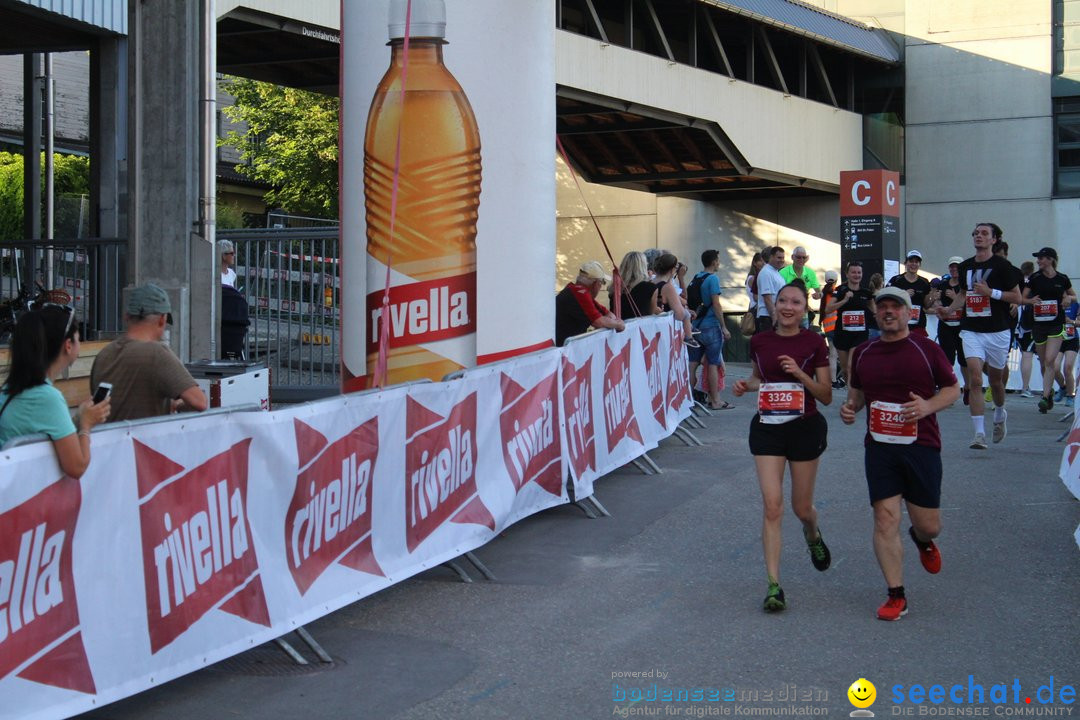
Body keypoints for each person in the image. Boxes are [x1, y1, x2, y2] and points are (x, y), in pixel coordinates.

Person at [840, 286, 960, 621]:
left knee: (930, 525)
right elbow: (857, 394)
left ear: (909, 314)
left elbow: (952, 389)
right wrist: (850, 409)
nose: (889, 311)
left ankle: (921, 540)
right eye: (884, 307)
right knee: (885, 518)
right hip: (880, 447)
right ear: (876, 314)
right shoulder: (862, 352)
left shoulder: (926, 349)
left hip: (921, 446)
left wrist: (927, 406)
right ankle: (896, 595)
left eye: (897, 306)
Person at [733, 280, 833, 613]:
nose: (788, 307)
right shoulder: (760, 340)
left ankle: (812, 535)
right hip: (768, 428)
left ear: (805, 309)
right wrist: (746, 385)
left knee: (801, 508)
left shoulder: (814, 342)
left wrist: (799, 376)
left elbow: (826, 394)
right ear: (774, 305)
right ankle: (773, 585)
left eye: (795, 302)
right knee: (772, 505)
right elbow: (760, 378)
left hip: (805, 428)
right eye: (782, 301)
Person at [934, 223, 1022, 449]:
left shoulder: (1003, 266)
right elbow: (963, 294)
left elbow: (1017, 297)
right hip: (972, 329)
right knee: (974, 378)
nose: (979, 236)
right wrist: (949, 310)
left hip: (998, 331)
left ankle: (1001, 413)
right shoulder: (965, 266)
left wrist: (990, 292)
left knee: (996, 381)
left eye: (984, 233)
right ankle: (979, 434)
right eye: (976, 233)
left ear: (994, 239)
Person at [0, 305, 111, 478]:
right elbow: (77, 467)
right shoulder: (47, 398)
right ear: (68, 345)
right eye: (78, 338)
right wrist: (86, 426)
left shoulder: (11, 388)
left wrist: (79, 418)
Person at [90, 283, 209, 421]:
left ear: (127, 317)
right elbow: (200, 402)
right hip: (143, 442)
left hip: (108, 441)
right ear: (162, 320)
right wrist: (177, 404)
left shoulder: (103, 354)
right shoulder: (157, 353)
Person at [1020, 247, 1075, 413]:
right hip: (1039, 325)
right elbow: (1022, 298)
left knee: (1050, 360)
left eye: (1041, 258)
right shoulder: (1035, 278)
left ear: (1050, 260)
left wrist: (1067, 298)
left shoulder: (1062, 279)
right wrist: (1031, 301)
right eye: (1038, 259)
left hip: (1056, 324)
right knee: (1045, 362)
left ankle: (1044, 397)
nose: (1038, 261)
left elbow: (1074, 296)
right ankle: (1051, 392)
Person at [687, 250, 732, 410]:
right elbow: (716, 304)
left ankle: (688, 400)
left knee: (692, 364)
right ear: (714, 262)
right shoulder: (713, 279)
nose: (719, 263)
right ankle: (715, 400)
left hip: (695, 327)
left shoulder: (696, 277)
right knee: (713, 364)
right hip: (711, 326)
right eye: (718, 260)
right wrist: (724, 327)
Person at [825, 261, 874, 384]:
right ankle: (850, 394)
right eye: (853, 272)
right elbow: (828, 309)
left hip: (860, 335)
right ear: (847, 274)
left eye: (859, 272)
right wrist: (845, 299)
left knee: (851, 366)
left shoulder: (866, 293)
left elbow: (875, 311)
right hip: (842, 334)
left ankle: (852, 399)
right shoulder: (840, 290)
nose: (856, 275)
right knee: (846, 370)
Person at [934, 256, 967, 398]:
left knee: (964, 358)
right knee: (947, 358)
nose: (954, 269)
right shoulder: (943, 284)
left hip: (962, 326)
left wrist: (955, 297)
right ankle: (947, 390)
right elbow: (936, 302)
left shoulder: (965, 286)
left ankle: (969, 387)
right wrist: (938, 309)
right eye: (952, 267)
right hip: (946, 325)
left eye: (957, 267)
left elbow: (969, 305)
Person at [652, 253, 698, 347]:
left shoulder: (649, 282)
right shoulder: (668, 287)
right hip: (664, 334)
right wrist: (686, 312)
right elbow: (680, 315)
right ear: (672, 269)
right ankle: (689, 337)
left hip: (652, 332)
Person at [888, 251, 934, 337]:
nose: (914, 264)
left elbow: (926, 306)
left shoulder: (924, 282)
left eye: (916, 262)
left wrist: (933, 298)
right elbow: (887, 299)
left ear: (919, 264)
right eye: (911, 261)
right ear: (905, 263)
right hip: (899, 324)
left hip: (918, 326)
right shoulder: (896, 280)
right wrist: (903, 295)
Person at [779, 246, 822, 328]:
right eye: (798, 257)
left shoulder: (810, 273)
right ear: (792, 257)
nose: (801, 260)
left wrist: (818, 295)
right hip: (787, 312)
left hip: (803, 313)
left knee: (804, 338)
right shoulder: (783, 273)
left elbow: (819, 292)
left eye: (804, 257)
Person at [611, 251, 658, 319]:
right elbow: (651, 313)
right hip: (638, 327)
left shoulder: (614, 287)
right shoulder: (650, 287)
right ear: (643, 266)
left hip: (617, 327)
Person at [1015, 260, 1036, 398]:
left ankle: (1024, 387)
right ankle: (1025, 387)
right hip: (1028, 324)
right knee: (1027, 354)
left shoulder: (1016, 282)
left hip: (1014, 322)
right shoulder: (1033, 283)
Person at [754, 246, 786, 333]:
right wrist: (774, 317)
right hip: (767, 317)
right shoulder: (766, 273)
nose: (782, 260)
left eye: (783, 258)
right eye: (779, 257)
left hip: (776, 316)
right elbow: (767, 298)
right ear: (771, 257)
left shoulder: (776, 272)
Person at [819, 270, 842, 387]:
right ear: (836, 280)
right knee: (839, 355)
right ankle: (837, 380)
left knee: (832, 355)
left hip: (828, 328)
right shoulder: (837, 292)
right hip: (838, 327)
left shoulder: (823, 293)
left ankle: (832, 380)